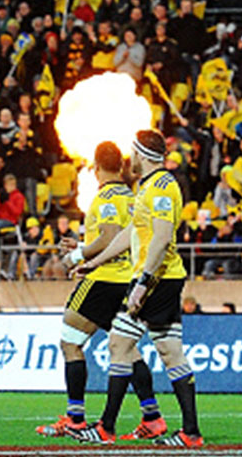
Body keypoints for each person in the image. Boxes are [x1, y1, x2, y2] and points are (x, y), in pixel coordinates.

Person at [73, 130, 203, 447]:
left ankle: (106, 427)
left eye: (133, 153)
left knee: (118, 344)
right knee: (171, 352)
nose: (129, 159)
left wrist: (142, 282)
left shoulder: (161, 187)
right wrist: (95, 261)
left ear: (142, 155)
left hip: (156, 278)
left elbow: (160, 237)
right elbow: (130, 232)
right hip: (163, 276)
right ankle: (190, 432)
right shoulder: (148, 186)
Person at [37, 142, 166, 441]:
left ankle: (75, 419)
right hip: (129, 280)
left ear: (95, 168)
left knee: (70, 342)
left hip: (105, 279)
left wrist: (79, 255)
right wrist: (84, 245)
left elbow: (108, 236)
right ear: (121, 167)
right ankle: (153, 417)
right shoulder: (132, 197)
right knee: (127, 350)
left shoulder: (105, 197)